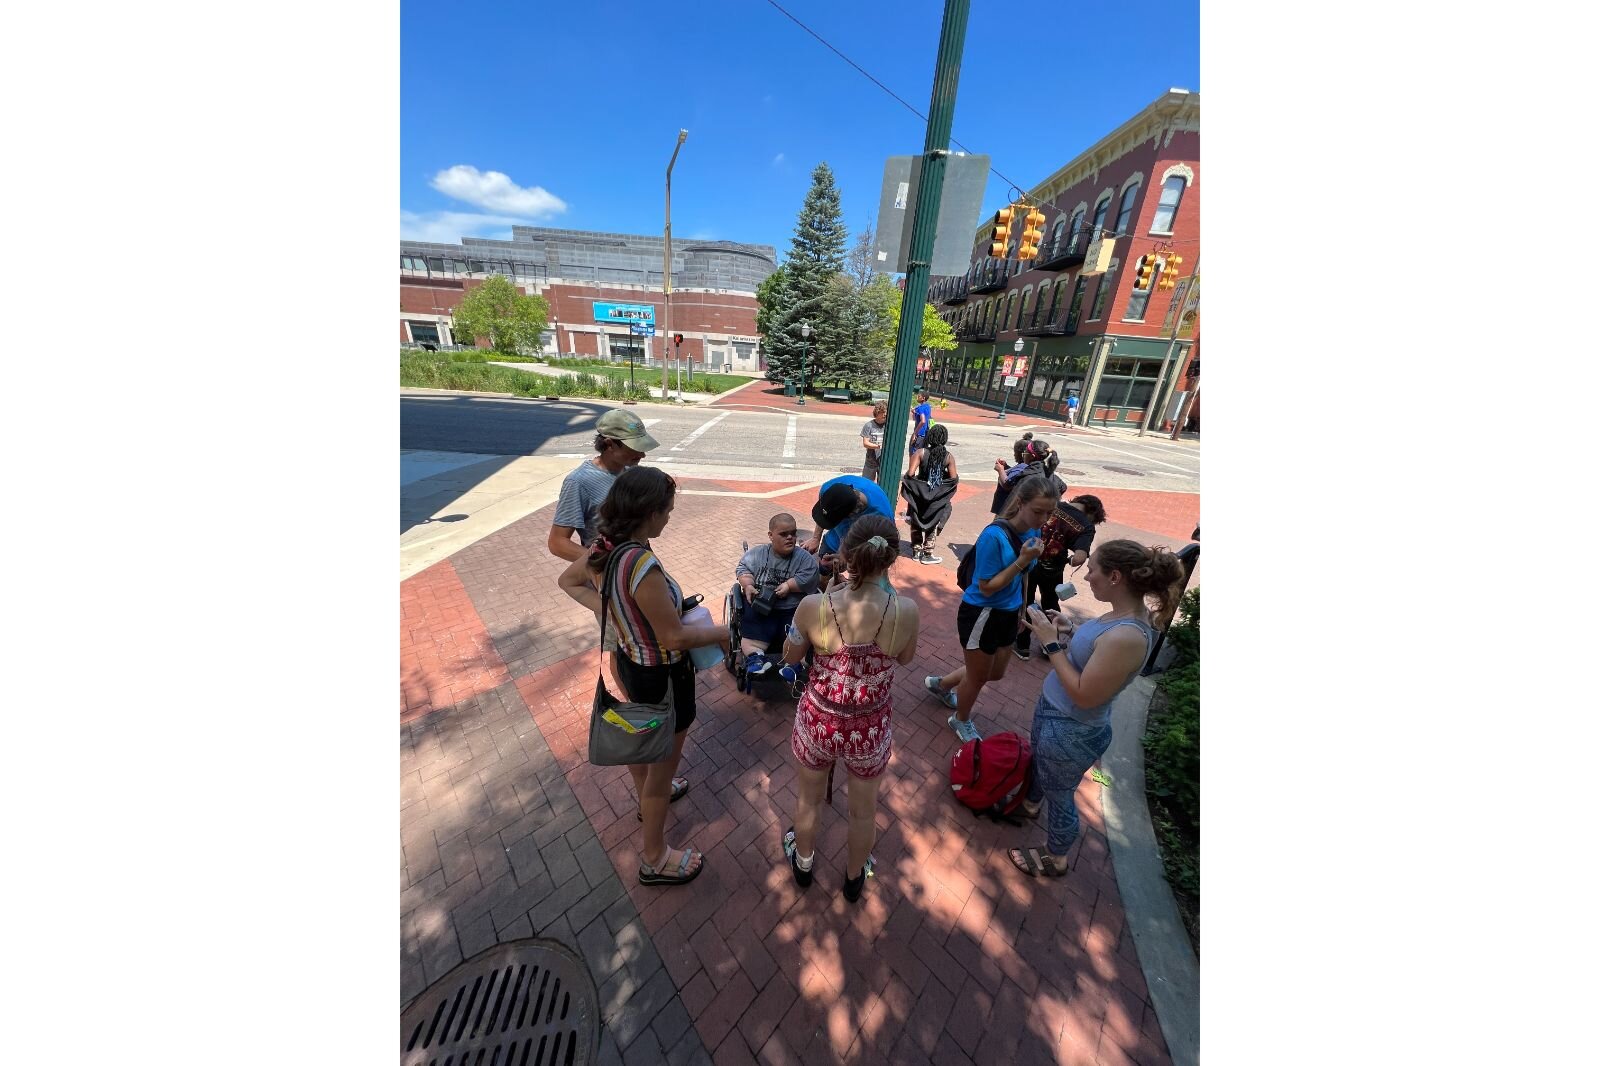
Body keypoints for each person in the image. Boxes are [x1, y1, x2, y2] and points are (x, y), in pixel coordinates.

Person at [556, 466, 726, 887]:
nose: (670, 517)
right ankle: (655, 857)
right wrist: (730, 631)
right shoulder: (641, 563)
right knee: (661, 771)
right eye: (667, 510)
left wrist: (613, 610)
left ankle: (648, 800)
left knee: (645, 750)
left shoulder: (608, 548)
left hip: (633, 665)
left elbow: (568, 580)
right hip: (664, 675)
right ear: (649, 513)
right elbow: (673, 635)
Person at [1007, 540, 1186, 877]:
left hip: (1072, 728)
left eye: (1093, 570)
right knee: (1041, 766)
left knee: (1060, 795)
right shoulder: (1119, 615)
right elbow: (1094, 652)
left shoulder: (1129, 636)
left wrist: (1049, 642)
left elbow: (1085, 695)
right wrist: (1069, 629)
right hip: (1055, 714)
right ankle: (1029, 805)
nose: (1086, 577)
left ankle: (1055, 857)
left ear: (1115, 576)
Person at [779, 516, 919, 902]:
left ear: (844, 554)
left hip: (819, 721)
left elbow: (791, 656)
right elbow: (905, 658)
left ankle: (803, 862)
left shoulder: (814, 606)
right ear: (891, 559)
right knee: (863, 810)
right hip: (870, 728)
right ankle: (855, 876)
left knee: (807, 799)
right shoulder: (906, 610)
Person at [923, 473, 1059, 741]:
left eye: (1049, 513)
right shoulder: (994, 536)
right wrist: (1023, 560)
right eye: (1038, 512)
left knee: (994, 672)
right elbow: (986, 586)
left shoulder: (1032, 531)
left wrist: (1021, 608)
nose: (1043, 520)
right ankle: (960, 719)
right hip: (981, 613)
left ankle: (943, 684)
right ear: (1020, 503)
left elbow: (1025, 574)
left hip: (1009, 612)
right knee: (978, 677)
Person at [548, 409, 661, 562]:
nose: (642, 455)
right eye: (634, 448)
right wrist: (606, 565)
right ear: (609, 444)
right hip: (610, 576)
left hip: (639, 561)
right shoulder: (579, 482)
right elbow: (558, 543)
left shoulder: (630, 471)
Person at [1014, 494, 1107, 660]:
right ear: (1092, 513)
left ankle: (1022, 645)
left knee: (1026, 601)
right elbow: (1079, 556)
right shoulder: (1086, 526)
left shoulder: (1052, 504)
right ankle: (1049, 644)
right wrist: (1070, 559)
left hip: (1028, 560)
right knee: (1051, 604)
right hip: (1052, 570)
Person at [734, 513, 820, 677]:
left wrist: (789, 585)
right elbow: (743, 569)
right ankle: (755, 657)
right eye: (783, 534)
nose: (790, 538)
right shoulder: (758, 553)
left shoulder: (803, 558)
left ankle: (793, 664)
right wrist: (748, 585)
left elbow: (811, 576)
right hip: (762, 608)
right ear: (770, 535)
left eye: (793, 533)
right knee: (751, 624)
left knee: (800, 634)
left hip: (792, 609)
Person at [802, 474, 895, 566]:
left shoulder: (881, 515)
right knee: (824, 567)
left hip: (862, 546)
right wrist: (816, 538)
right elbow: (823, 511)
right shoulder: (829, 489)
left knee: (858, 574)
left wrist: (849, 559)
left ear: (852, 514)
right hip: (835, 538)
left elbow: (879, 552)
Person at [900, 423, 958, 564]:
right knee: (935, 518)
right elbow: (953, 478)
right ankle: (927, 554)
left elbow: (911, 474)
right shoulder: (948, 457)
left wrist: (916, 486)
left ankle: (916, 551)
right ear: (944, 438)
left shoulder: (921, 453)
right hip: (937, 494)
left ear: (930, 436)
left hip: (920, 493)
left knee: (916, 517)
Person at [990, 438, 1065, 517]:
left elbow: (1007, 484)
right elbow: (1062, 487)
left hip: (1015, 516)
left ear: (1032, 456)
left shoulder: (1029, 474)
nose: (1024, 455)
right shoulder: (1044, 469)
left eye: (1025, 452)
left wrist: (1000, 470)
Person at [860, 402, 888, 479]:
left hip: (883, 459)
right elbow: (865, 443)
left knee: (882, 482)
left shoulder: (888, 425)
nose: (885, 414)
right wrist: (878, 446)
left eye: (886, 412)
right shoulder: (869, 425)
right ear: (877, 412)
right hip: (871, 459)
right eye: (882, 412)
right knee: (866, 482)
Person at [909, 390, 933, 457]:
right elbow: (916, 419)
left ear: (923, 398)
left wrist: (915, 433)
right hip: (925, 435)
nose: (917, 397)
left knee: (913, 454)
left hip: (919, 435)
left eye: (919, 396)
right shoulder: (928, 406)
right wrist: (914, 412)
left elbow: (923, 421)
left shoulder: (920, 408)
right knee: (922, 455)